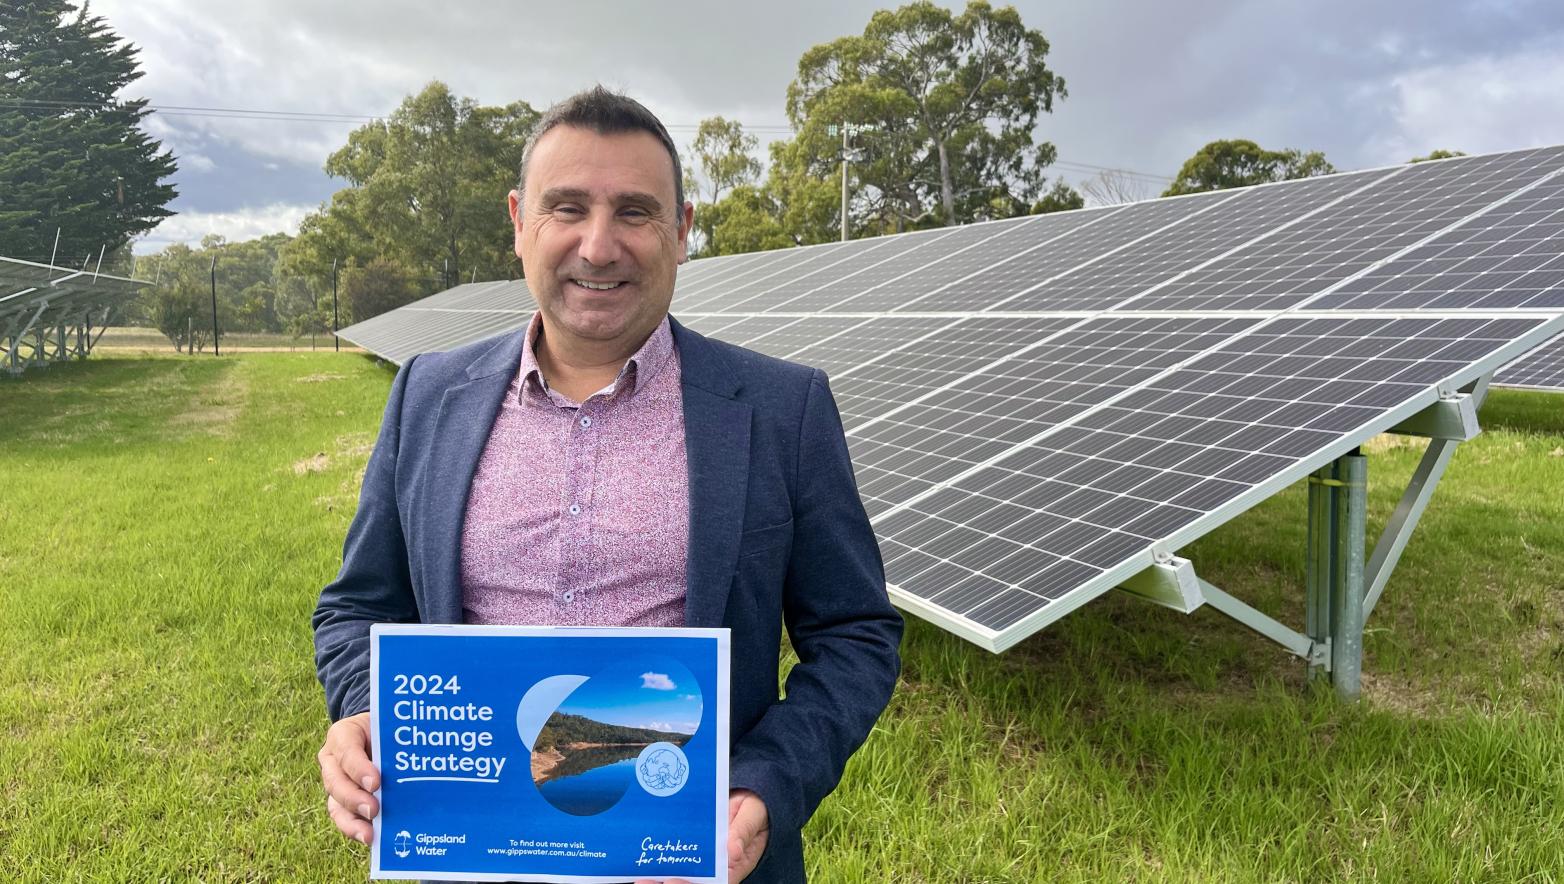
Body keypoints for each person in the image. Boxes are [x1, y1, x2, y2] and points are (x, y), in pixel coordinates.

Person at [313, 86, 903, 884]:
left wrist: (765, 782)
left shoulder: (779, 411)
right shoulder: (428, 395)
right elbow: (358, 606)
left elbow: (858, 635)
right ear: (519, 222)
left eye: (635, 211)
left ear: (682, 231)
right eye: (566, 209)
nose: (598, 246)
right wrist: (361, 705)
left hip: (692, 861)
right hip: (475, 857)